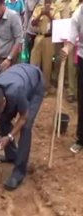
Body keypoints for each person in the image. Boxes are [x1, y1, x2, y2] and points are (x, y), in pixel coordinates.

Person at [0, 63, 44, 190]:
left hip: (35, 84)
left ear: (4, 101)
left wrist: (8, 137)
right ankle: (11, 155)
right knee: (2, 117)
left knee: (26, 127)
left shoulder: (17, 91)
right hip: (19, 75)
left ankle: (19, 172)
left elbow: (23, 117)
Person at [60, 3, 83, 154]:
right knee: (82, 99)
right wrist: (66, 49)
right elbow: (72, 34)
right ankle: (81, 139)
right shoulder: (79, 12)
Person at [29, 0, 60, 95]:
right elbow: (32, 23)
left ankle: (46, 87)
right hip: (38, 37)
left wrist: (49, 14)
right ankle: (33, 86)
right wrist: (41, 14)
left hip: (49, 38)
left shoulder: (55, 9)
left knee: (47, 65)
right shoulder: (38, 8)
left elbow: (58, 24)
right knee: (34, 63)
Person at [0, 0, 23, 77]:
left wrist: (9, 59)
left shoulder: (13, 17)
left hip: (12, 62)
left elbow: (19, 40)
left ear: (2, 4)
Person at [55, 0, 79, 102]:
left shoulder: (77, 3)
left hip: (72, 39)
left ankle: (71, 91)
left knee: (71, 66)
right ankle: (59, 82)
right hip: (59, 37)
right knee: (57, 60)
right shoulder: (57, 3)